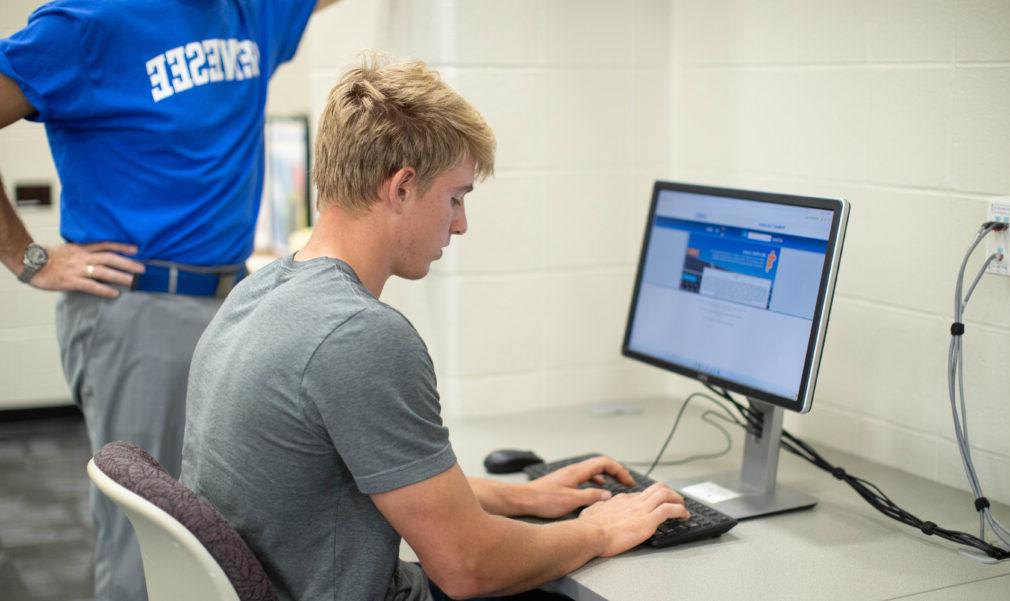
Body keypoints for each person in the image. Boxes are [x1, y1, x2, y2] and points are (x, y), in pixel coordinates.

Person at [180, 55, 689, 601]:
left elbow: (360, 483)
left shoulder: (259, 292)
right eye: (455, 197)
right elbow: (469, 567)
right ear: (400, 188)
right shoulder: (357, 336)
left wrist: (522, 498)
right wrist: (598, 528)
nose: (461, 223)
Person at [0, 1, 338, 599]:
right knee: (149, 544)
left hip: (233, 302)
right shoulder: (86, 23)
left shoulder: (251, 9)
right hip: (140, 309)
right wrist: (28, 257)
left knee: (225, 530)